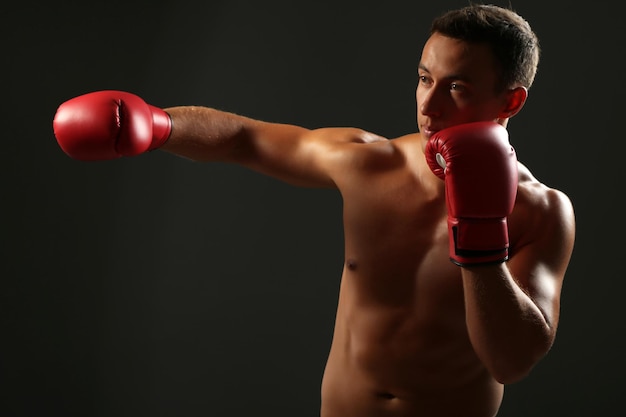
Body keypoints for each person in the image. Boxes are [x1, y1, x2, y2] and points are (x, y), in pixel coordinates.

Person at [52, 4, 576, 417]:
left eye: (456, 87)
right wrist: (155, 124)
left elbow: (511, 360)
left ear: (511, 102)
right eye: (423, 78)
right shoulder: (372, 164)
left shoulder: (543, 212)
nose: (428, 105)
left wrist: (481, 237)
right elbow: (245, 139)